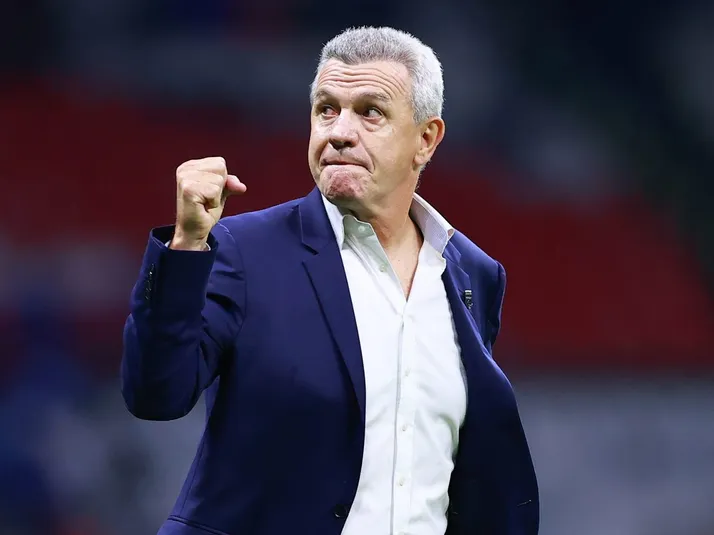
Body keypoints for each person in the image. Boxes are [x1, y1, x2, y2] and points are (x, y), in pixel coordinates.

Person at [121, 26, 539, 535]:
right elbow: (155, 394)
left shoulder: (474, 273)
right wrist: (187, 243)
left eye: (370, 112)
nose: (339, 131)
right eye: (326, 109)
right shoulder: (243, 250)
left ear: (426, 139)